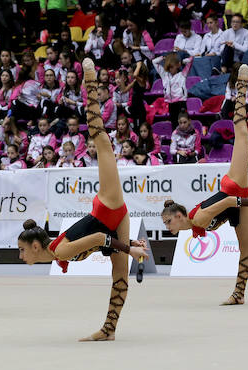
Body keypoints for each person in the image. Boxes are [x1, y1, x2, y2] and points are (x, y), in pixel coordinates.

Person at [17, 59, 149, 342]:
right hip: (115, 220)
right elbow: (100, 241)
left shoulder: (61, 252)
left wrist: (129, 249)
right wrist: (130, 247)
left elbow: (100, 237)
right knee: (120, 279)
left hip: (107, 208)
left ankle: (90, 84)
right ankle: (109, 330)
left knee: (101, 142)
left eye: (22, 251)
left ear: (36, 246)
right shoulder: (56, 252)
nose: (20, 255)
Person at [160, 65, 248, 305]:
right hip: (236, 206)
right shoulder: (194, 225)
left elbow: (229, 200)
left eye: (169, 221)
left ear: (180, 216)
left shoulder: (199, 218)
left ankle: (241, 88)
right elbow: (227, 209)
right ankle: (238, 295)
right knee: (246, 252)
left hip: (233, 187)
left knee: (241, 133)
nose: (168, 227)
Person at [152, 53, 192, 126]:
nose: (170, 69)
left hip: (181, 102)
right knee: (174, 123)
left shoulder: (182, 74)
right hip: (171, 103)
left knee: (183, 124)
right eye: (169, 67)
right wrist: (163, 58)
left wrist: (181, 62)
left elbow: (190, 60)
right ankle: (175, 137)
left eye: (172, 67)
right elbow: (154, 62)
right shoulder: (164, 75)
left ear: (177, 65)